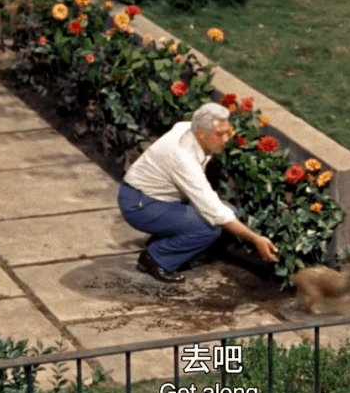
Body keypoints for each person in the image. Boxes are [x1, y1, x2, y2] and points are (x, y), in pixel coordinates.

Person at [118, 102, 280, 283]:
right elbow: (215, 213)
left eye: (228, 131)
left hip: (160, 198)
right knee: (209, 227)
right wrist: (256, 239)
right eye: (220, 134)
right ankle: (155, 259)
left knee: (228, 213)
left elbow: (218, 209)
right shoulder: (183, 159)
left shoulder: (189, 128)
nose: (227, 139)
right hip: (139, 203)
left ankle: (163, 244)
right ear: (201, 133)